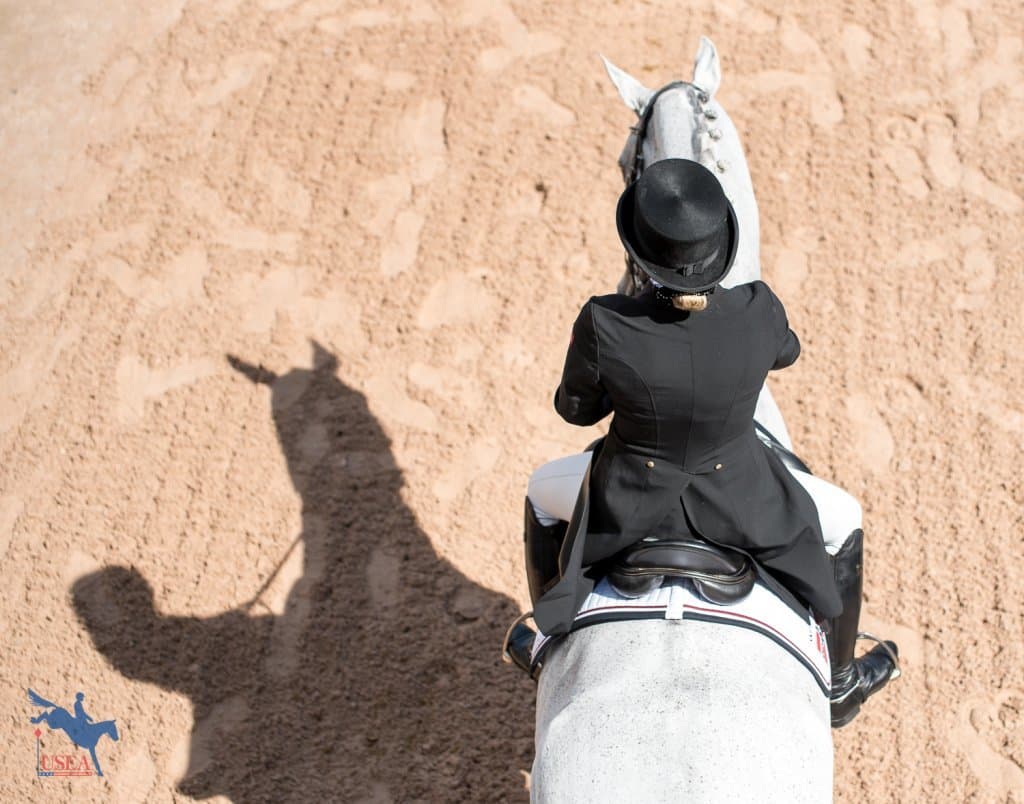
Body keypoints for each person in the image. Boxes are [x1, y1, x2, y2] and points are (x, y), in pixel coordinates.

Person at [523, 158, 898, 726]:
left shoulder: (604, 321)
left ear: (640, 254)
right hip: (743, 499)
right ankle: (841, 685)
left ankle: (545, 643)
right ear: (720, 246)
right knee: (845, 519)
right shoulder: (758, 309)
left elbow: (575, 411)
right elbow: (787, 352)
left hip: (628, 500)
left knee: (539, 493)